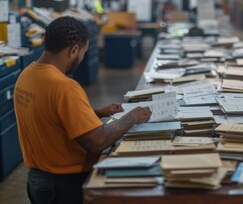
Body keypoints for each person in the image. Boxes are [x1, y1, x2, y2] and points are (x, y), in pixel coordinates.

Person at [13, 16, 152, 204]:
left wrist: (96, 113)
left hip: (39, 183)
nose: (81, 58)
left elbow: (50, 117)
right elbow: (97, 142)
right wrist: (132, 117)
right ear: (74, 50)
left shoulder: (26, 76)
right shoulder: (64, 87)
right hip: (65, 185)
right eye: (83, 53)